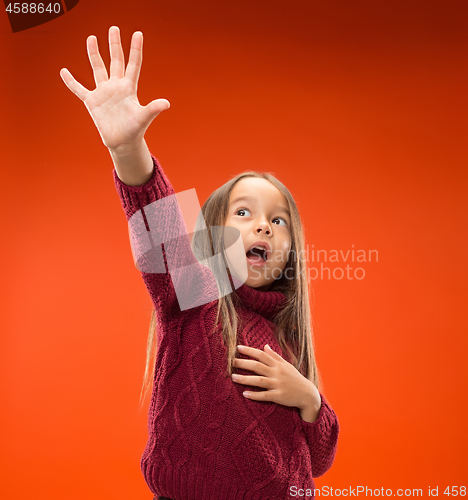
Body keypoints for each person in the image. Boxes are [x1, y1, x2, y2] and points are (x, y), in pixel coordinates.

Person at [60, 25, 340, 500]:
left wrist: (311, 400)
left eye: (279, 220)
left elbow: (318, 459)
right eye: (244, 212)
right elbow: (160, 223)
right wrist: (127, 148)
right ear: (212, 236)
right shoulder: (196, 295)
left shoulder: (290, 340)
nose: (264, 227)